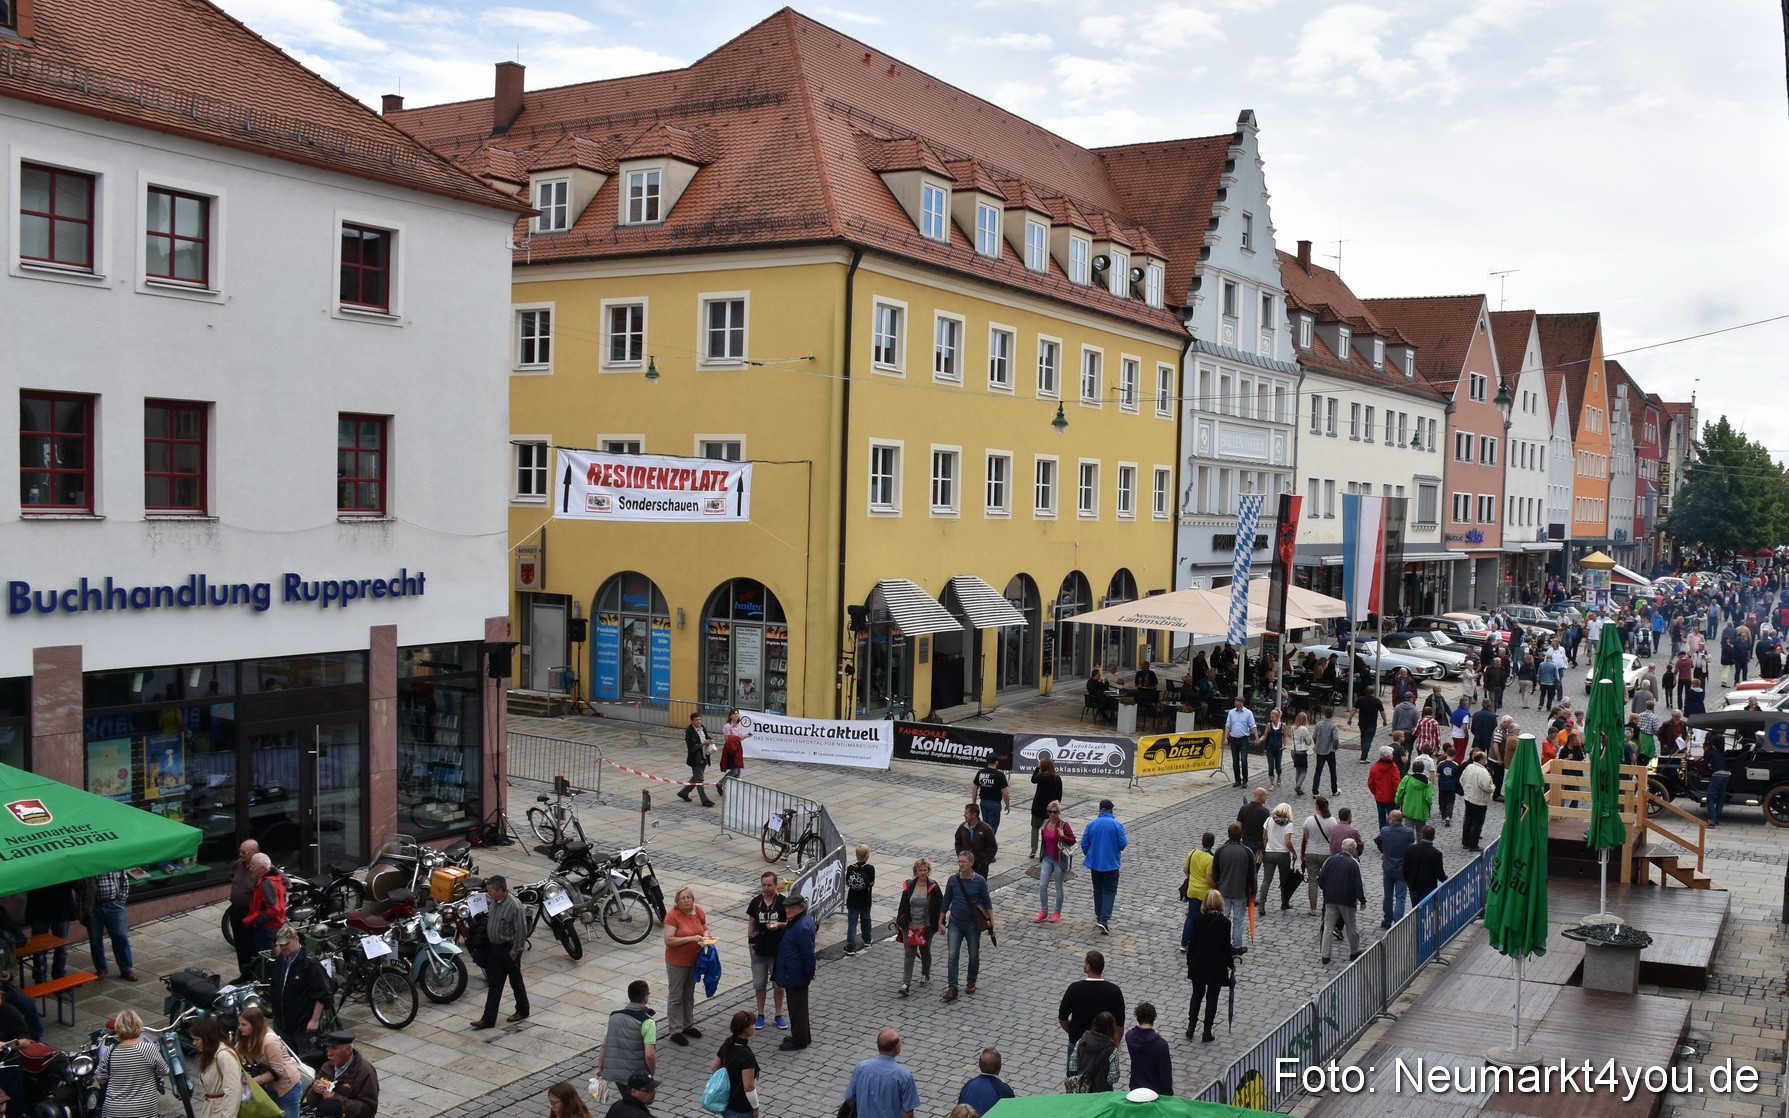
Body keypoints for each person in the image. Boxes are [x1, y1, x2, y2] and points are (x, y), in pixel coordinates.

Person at [470, 875, 529, 1029]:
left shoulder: (515, 906)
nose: (488, 894)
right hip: (494, 949)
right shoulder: (494, 902)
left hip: (509, 949)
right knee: (495, 983)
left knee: (515, 981)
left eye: (491, 891)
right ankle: (488, 1019)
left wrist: (515, 953)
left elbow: (521, 931)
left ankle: (522, 1010)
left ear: (501, 890)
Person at [267, 924, 331, 1053]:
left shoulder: (310, 963)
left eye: (286, 943)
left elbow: (323, 994)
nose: (283, 947)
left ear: (296, 939)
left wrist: (314, 1020)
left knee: (307, 1063)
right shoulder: (281, 960)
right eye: (281, 944)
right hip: (282, 1024)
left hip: (304, 1027)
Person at [1058, 951, 1125, 1072]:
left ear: (1088, 967)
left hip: (1077, 1042)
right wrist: (1115, 1043)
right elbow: (1119, 1024)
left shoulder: (1074, 988)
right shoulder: (1114, 991)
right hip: (1105, 1046)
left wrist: (1073, 1032)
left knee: (1074, 1080)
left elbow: (1062, 1018)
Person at [940, 851, 992, 1002]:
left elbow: (987, 903)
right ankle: (952, 987)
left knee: (974, 955)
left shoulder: (980, 881)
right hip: (955, 922)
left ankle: (971, 980)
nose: (961, 864)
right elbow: (946, 901)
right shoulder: (953, 880)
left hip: (972, 924)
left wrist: (992, 923)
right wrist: (940, 920)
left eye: (963, 862)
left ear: (971, 863)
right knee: (952, 955)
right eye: (959, 862)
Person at [1183, 891, 1234, 1043]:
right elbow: (1226, 947)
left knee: (1197, 994)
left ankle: (1191, 1027)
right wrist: (1231, 964)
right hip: (1216, 965)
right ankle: (1207, 1031)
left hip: (1198, 962)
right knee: (1212, 998)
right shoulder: (1225, 923)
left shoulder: (1198, 919)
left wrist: (1189, 960)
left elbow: (1192, 941)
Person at [660, 886, 707, 1045]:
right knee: (676, 995)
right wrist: (690, 938)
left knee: (689, 994)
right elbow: (669, 940)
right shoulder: (673, 916)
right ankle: (675, 1030)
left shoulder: (698, 912)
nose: (686, 900)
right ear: (677, 901)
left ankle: (688, 1025)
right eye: (683, 898)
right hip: (677, 962)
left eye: (689, 898)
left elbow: (705, 928)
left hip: (694, 960)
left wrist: (706, 936)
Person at [236, 1007, 303, 1118]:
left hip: (286, 1089)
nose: (240, 1028)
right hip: (268, 1087)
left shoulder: (270, 1042)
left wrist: (251, 1082)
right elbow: (235, 1054)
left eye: (244, 1024)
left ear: (254, 1025)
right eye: (239, 1024)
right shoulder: (247, 1038)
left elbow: (277, 1070)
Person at [101, 1009, 167, 1118]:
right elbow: (163, 1071)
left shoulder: (110, 1051)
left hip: (116, 1110)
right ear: (139, 1026)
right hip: (144, 1109)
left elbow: (101, 1077)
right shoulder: (149, 1049)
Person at [843, 1029, 920, 1118]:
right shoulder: (904, 1075)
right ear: (897, 1048)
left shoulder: (861, 1068)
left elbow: (849, 1099)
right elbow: (908, 1113)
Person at [595, 981, 656, 1090]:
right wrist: (651, 1072)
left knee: (627, 1100)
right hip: (637, 1075)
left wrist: (600, 1067)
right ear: (645, 998)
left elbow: (604, 1045)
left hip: (618, 1074)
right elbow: (649, 1054)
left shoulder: (614, 1016)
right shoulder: (647, 1022)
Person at [301, 1031, 378, 1118]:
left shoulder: (365, 1072)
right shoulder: (326, 1066)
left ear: (348, 1050)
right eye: (328, 1048)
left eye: (334, 1048)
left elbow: (368, 1110)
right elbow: (312, 1101)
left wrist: (335, 1099)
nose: (329, 1053)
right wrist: (314, 1090)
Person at [745, 873, 787, 1028]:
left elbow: (790, 923)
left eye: (769, 885)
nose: (766, 888)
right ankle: (761, 1013)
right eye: (764, 885)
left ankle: (778, 1014)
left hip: (777, 951)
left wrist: (779, 925)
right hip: (759, 951)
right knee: (759, 984)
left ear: (776, 885)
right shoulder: (756, 902)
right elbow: (751, 924)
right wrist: (750, 944)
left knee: (778, 985)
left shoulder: (783, 902)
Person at [773, 893, 815, 1050]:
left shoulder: (801, 926)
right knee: (799, 1008)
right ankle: (803, 1035)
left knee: (797, 1008)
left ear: (800, 909)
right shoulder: (800, 921)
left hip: (795, 974)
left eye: (791, 908)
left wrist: (809, 972)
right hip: (793, 972)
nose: (787, 910)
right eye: (786, 907)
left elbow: (808, 954)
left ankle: (799, 1040)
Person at [894, 858, 942, 997]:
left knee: (925, 950)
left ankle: (925, 974)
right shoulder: (909, 886)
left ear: (928, 871)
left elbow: (940, 905)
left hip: (926, 926)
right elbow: (903, 905)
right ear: (915, 871)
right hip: (910, 925)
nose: (922, 873)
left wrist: (940, 923)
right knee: (909, 953)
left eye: (925, 870)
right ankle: (906, 983)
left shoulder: (933, 886)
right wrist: (901, 921)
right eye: (920, 870)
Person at [1081, 799, 1128, 933]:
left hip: (1095, 864)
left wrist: (1090, 854)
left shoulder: (1092, 824)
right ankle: (1104, 919)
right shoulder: (1116, 824)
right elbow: (1123, 843)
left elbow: (1084, 843)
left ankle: (1098, 915)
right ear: (1111, 810)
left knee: (1098, 889)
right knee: (1109, 891)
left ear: (1100, 809)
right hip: (1111, 863)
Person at [1317, 838, 1367, 964]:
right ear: (1354, 850)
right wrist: (1362, 900)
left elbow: (1320, 878)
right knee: (1351, 926)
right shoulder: (1354, 863)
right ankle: (1354, 951)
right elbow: (1358, 884)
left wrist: (1326, 890)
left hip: (1330, 899)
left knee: (1328, 927)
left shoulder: (1330, 860)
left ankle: (1325, 955)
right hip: (1347, 900)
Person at [1210, 822, 1254, 952]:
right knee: (1238, 921)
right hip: (1241, 891)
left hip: (1224, 890)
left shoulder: (1220, 850)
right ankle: (1236, 946)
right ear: (1241, 836)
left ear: (1228, 835)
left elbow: (1215, 871)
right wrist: (1253, 892)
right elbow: (1252, 875)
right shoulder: (1247, 852)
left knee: (1223, 918)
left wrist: (1219, 884)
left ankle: (1220, 943)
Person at [87, 869, 136, 982]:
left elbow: (124, 881)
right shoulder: (90, 864)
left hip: (114, 905)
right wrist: (81, 907)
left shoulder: (114, 864)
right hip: (94, 906)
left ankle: (126, 969)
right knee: (95, 939)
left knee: (121, 937)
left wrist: (121, 900)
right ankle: (101, 969)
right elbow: (83, 888)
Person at [24, 880, 77, 985]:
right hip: (39, 909)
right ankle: (40, 977)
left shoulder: (63, 866)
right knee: (39, 949)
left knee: (61, 948)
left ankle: (59, 976)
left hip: (60, 910)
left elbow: (79, 885)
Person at [191, 1017, 243, 1118]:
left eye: (197, 1039)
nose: (194, 1043)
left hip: (221, 1111)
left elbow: (233, 1091)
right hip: (213, 1109)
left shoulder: (224, 1056)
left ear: (207, 1038)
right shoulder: (211, 1054)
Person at [710, 1011, 759, 1118]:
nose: (754, 1027)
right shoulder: (747, 1055)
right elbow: (748, 1086)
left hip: (726, 1103)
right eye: (753, 1024)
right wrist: (755, 1107)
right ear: (745, 1028)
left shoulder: (727, 1045)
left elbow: (714, 1068)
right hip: (740, 1108)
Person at [225, 840, 261, 979]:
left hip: (250, 913)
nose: (240, 854)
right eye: (240, 851)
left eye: (243, 852)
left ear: (254, 853)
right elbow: (232, 874)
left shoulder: (262, 865)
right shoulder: (238, 864)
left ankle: (255, 976)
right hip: (235, 911)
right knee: (240, 945)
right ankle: (244, 974)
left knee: (252, 945)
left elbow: (282, 880)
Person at [1036, 802, 1076, 923]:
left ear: (1058, 813)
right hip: (1047, 858)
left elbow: (1073, 840)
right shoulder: (1045, 823)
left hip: (1059, 859)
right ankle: (1044, 911)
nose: (1052, 814)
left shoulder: (1064, 825)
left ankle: (1057, 912)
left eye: (1055, 812)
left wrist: (1063, 836)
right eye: (1050, 812)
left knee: (1059, 887)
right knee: (1042, 885)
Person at [1375, 810, 1416, 927]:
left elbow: (1380, 841)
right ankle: (1398, 922)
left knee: (1388, 895)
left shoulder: (1385, 831)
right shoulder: (1408, 832)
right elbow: (1412, 841)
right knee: (1400, 897)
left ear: (1392, 820)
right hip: (1402, 869)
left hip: (1388, 867)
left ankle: (1387, 920)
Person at [244, 853, 287, 955]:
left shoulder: (266, 883)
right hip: (273, 927)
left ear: (262, 868)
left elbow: (273, 910)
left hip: (266, 928)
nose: (250, 869)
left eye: (253, 866)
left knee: (266, 959)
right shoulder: (275, 878)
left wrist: (258, 922)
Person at [1125, 1003, 1173, 1094]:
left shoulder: (1129, 1036)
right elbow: (1165, 1074)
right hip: (1155, 1091)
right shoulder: (1161, 1044)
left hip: (1136, 1088)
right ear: (1154, 1017)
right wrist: (1168, 1094)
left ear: (1137, 1017)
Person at [1180, 831, 1215, 950]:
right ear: (1212, 844)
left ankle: (1184, 944)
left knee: (1191, 917)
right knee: (1204, 919)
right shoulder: (1210, 859)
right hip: (1204, 893)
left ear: (1202, 841)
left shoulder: (1192, 853)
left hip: (1192, 891)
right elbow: (1209, 880)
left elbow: (1185, 870)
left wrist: (1192, 878)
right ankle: (1200, 943)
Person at [1260, 803, 1297, 913]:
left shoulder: (1268, 820)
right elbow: (1287, 842)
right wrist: (1294, 853)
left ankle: (1262, 904)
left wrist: (1266, 847)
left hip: (1269, 853)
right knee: (1283, 880)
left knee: (1266, 879)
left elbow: (1264, 837)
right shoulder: (1289, 824)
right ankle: (1284, 902)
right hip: (1283, 855)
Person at [1299, 797, 1333, 915]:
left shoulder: (1309, 820)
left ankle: (1313, 908)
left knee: (1312, 880)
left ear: (1316, 806)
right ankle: (1327, 905)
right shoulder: (1332, 821)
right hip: (1326, 853)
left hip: (1311, 852)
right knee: (1328, 881)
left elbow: (1306, 837)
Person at [1073, 1012, 1123, 1093]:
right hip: (1102, 1092)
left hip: (1083, 1090)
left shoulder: (1082, 1041)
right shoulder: (1112, 1050)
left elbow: (1073, 1066)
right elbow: (1113, 1078)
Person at [956, 1049, 1014, 1115]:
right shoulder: (1004, 1091)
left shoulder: (969, 1085)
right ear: (1000, 1066)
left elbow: (959, 1111)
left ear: (979, 1064)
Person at [1028, 755, 1063, 859]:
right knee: (1047, 830)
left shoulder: (1041, 776)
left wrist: (1037, 768)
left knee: (1035, 828)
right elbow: (1059, 795)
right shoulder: (1057, 778)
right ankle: (1045, 850)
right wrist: (1057, 808)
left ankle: (1033, 850)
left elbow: (1033, 780)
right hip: (1050, 809)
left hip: (1038, 806)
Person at [844, 845, 876, 956]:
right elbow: (871, 882)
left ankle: (851, 946)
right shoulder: (870, 868)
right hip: (865, 899)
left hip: (852, 899)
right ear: (866, 856)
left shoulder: (850, 868)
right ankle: (867, 939)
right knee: (866, 919)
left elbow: (847, 883)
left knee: (852, 923)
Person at [1404, 825, 1448, 904]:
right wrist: (1445, 879)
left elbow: (1405, 868)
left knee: (1415, 908)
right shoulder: (1436, 853)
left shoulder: (1410, 849)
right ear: (1433, 837)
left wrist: (1408, 880)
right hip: (1428, 887)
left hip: (1413, 885)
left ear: (1421, 835)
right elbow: (1439, 872)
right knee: (1426, 909)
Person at [679, 712, 715, 806]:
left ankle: (683, 793)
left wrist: (710, 740)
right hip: (696, 759)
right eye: (696, 720)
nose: (698, 722)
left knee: (696, 777)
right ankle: (704, 800)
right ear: (692, 721)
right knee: (700, 780)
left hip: (704, 756)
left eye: (699, 719)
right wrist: (703, 743)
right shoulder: (690, 732)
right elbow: (692, 748)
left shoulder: (702, 728)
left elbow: (706, 737)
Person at [953, 803, 998, 878]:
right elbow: (958, 842)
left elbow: (993, 847)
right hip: (965, 866)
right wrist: (960, 856)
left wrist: (985, 862)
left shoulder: (985, 828)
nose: (964, 815)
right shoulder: (962, 827)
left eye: (966, 813)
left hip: (980, 867)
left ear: (974, 815)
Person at [971, 754, 1010, 833]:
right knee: (992, 828)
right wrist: (1007, 804)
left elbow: (974, 789)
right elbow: (1005, 793)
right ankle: (988, 844)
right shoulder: (1000, 775)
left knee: (985, 825)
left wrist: (974, 803)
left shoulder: (981, 773)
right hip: (994, 803)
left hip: (983, 802)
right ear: (996, 762)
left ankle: (984, 842)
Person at [1349, 685, 1386, 763]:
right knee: (1368, 740)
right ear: (1373, 692)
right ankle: (1364, 757)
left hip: (1362, 722)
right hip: (1371, 723)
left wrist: (1350, 718)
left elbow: (1354, 709)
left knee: (1363, 738)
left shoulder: (1360, 699)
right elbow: (1382, 712)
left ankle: (1363, 753)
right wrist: (1384, 721)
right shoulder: (1377, 701)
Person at [1225, 696, 1257, 786]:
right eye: (1235, 700)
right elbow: (1228, 725)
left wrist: (1256, 737)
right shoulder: (1231, 713)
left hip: (1244, 738)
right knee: (1235, 761)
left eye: (1237, 701)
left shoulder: (1248, 713)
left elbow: (1252, 725)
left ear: (1242, 702)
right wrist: (1226, 738)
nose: (1235, 702)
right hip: (1234, 738)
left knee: (1243, 759)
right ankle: (1237, 779)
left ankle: (1245, 779)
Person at [718, 710, 750, 796]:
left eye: (737, 714)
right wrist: (738, 738)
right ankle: (721, 783)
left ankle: (733, 787)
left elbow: (740, 738)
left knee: (738, 771)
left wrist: (745, 737)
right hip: (731, 748)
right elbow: (727, 739)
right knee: (734, 770)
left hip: (737, 748)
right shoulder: (727, 726)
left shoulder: (739, 725)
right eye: (734, 714)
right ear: (730, 716)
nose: (736, 715)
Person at [1367, 746, 1400, 829]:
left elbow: (1371, 783)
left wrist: (1376, 792)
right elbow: (1396, 784)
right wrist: (1396, 795)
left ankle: (1383, 833)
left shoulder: (1375, 767)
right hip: (1391, 798)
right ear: (1388, 756)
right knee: (1393, 818)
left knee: (1381, 818)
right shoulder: (1393, 767)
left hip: (1379, 797)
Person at [1311, 707, 1340, 796]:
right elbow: (1335, 739)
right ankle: (1334, 790)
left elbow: (1314, 736)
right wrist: (1335, 747)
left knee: (1318, 771)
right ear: (1332, 715)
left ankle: (1315, 791)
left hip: (1320, 750)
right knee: (1332, 771)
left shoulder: (1319, 724)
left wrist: (1317, 744)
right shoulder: (1333, 725)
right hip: (1330, 750)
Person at [1704, 732, 1731, 827]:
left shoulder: (1708, 752)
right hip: (1726, 774)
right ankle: (1717, 818)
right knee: (1720, 797)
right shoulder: (1719, 753)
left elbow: (1705, 766)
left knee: (1710, 797)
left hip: (1717, 775)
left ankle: (1712, 819)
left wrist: (1709, 770)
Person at [1395, 763, 1432, 829]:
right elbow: (1429, 798)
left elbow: (1400, 791)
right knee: (1420, 831)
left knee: (1408, 829)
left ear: (1413, 769)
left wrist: (1397, 800)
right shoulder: (1427, 782)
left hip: (1408, 809)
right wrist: (1428, 806)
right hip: (1421, 810)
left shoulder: (1407, 779)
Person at [1236, 786, 1269, 857]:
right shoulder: (1265, 812)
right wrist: (1265, 846)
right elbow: (1265, 832)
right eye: (1266, 795)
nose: (1267, 797)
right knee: (1255, 866)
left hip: (1244, 842)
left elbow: (1237, 826)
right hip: (1257, 844)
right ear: (1261, 795)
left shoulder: (1243, 808)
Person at [1257, 707, 1286, 788]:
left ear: (1277, 717)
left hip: (1279, 748)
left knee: (1278, 767)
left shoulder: (1283, 725)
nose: (1271, 719)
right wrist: (1260, 739)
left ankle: (1279, 776)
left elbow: (1285, 736)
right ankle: (1272, 783)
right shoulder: (1269, 725)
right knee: (1271, 766)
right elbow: (1265, 735)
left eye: (1273, 717)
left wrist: (1285, 745)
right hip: (1270, 748)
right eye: (1271, 717)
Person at [1289, 711, 1313, 795]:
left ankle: (1298, 787)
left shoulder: (1292, 727)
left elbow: (1292, 737)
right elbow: (1309, 741)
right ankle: (1298, 786)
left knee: (1298, 770)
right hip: (1301, 752)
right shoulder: (1304, 729)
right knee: (1304, 771)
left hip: (1293, 750)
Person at [1434, 750, 1459, 828]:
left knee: (1443, 801)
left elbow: (1438, 775)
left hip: (1442, 785)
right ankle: (1449, 816)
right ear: (1455, 755)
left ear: (1447, 754)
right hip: (1451, 786)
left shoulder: (1441, 764)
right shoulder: (1456, 765)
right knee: (1450, 802)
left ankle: (1443, 817)